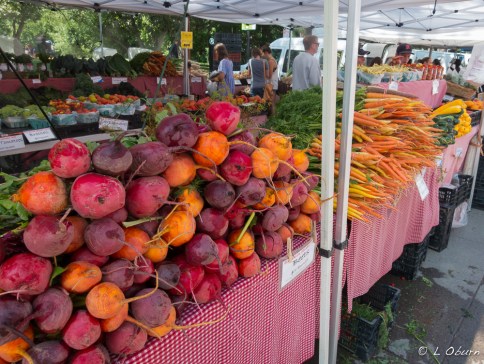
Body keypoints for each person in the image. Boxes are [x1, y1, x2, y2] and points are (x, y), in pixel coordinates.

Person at [261, 45, 278, 111]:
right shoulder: (272, 60)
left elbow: (269, 75)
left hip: (272, 84)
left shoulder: (271, 61)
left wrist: (263, 71)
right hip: (272, 84)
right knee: (271, 103)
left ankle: (273, 118)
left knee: (271, 103)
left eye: (262, 53)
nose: (262, 56)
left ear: (266, 52)